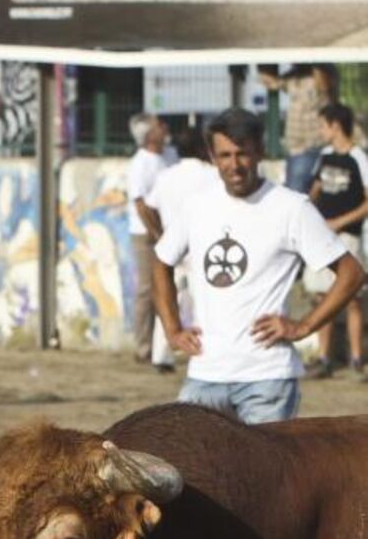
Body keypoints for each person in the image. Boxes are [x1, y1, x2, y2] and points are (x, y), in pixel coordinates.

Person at [153, 108, 364, 424]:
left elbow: (352, 273)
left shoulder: (291, 207)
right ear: (211, 156)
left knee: (260, 461)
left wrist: (304, 326)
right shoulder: (196, 206)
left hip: (267, 379)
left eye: (243, 154)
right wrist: (172, 329)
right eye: (225, 155)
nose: (234, 165)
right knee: (184, 456)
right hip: (205, 374)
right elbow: (161, 262)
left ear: (260, 152)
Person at [143, 126, 219, 373]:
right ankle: (205, 351)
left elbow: (147, 205)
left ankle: (161, 356)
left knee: (168, 300)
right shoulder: (212, 175)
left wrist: (159, 235)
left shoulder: (166, 176)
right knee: (205, 301)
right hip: (202, 247)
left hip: (172, 246)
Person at [302, 103, 368, 379]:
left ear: (335, 126)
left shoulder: (358, 158)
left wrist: (340, 222)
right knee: (321, 298)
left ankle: (357, 358)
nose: (320, 131)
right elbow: (315, 190)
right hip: (323, 238)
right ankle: (324, 357)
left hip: (347, 237)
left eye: (323, 125)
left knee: (352, 299)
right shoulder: (325, 156)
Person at [126, 113, 175, 364]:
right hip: (146, 234)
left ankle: (163, 345)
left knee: (167, 288)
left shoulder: (171, 155)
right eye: (159, 126)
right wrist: (157, 234)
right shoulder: (140, 164)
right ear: (148, 135)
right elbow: (141, 205)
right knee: (147, 290)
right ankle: (143, 346)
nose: (164, 128)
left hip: (168, 231)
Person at [259, 64, 335, 193]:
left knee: (319, 194)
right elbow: (271, 82)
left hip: (316, 145)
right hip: (297, 149)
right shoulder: (293, 78)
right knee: (296, 193)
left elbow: (324, 84)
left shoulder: (321, 75)